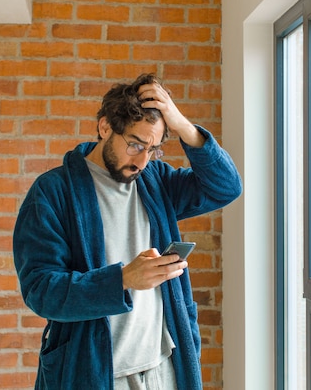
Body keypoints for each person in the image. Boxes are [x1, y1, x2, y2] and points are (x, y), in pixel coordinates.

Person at [13, 73, 242, 390]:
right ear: (105, 127)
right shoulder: (53, 193)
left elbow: (225, 188)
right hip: (97, 372)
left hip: (164, 367)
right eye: (135, 144)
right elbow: (41, 290)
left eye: (153, 148)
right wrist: (121, 280)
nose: (142, 160)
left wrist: (181, 125)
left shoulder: (155, 180)